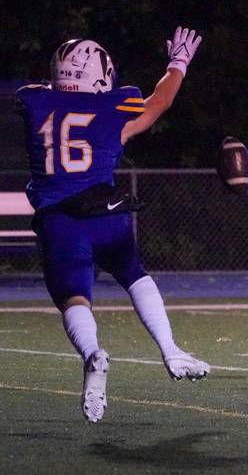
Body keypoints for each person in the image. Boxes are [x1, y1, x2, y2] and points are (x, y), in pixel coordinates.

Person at [16, 28, 211, 423]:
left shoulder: (32, 101)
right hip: (107, 214)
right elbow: (161, 100)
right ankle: (170, 348)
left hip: (60, 222)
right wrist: (178, 62)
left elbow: (45, 90)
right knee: (136, 276)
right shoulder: (113, 110)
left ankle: (92, 355)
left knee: (74, 298)